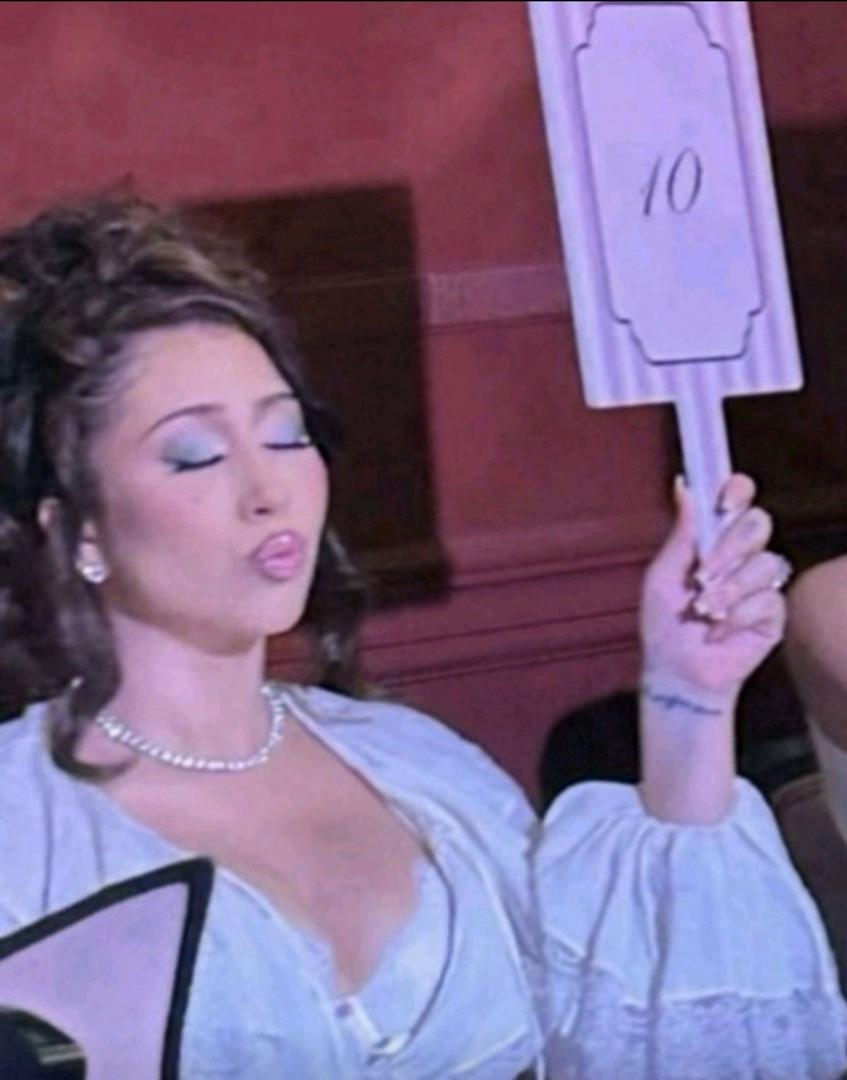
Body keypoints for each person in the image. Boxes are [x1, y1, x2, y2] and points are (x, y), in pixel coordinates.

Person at [0, 194, 843, 1080]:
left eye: (287, 436)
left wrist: (688, 694)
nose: (269, 490)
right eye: (195, 455)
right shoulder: (26, 835)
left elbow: (632, 1032)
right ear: (77, 529)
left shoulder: (419, 771)